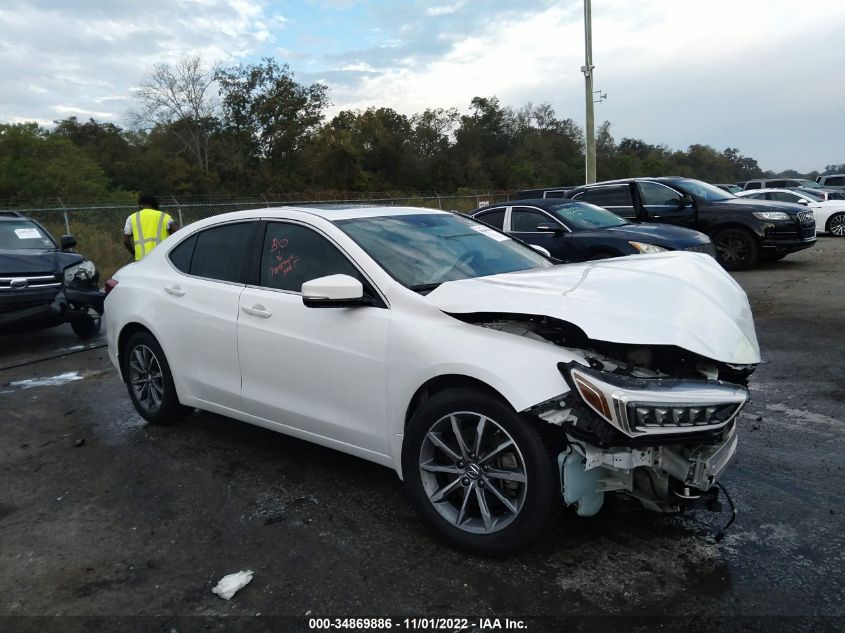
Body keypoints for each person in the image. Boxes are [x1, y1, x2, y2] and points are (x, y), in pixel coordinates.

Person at [123, 194, 179, 261]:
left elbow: (126, 241)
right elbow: (176, 235)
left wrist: (134, 253)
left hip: (141, 259)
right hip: (162, 257)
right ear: (155, 204)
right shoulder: (164, 217)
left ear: (140, 205)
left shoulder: (132, 218)